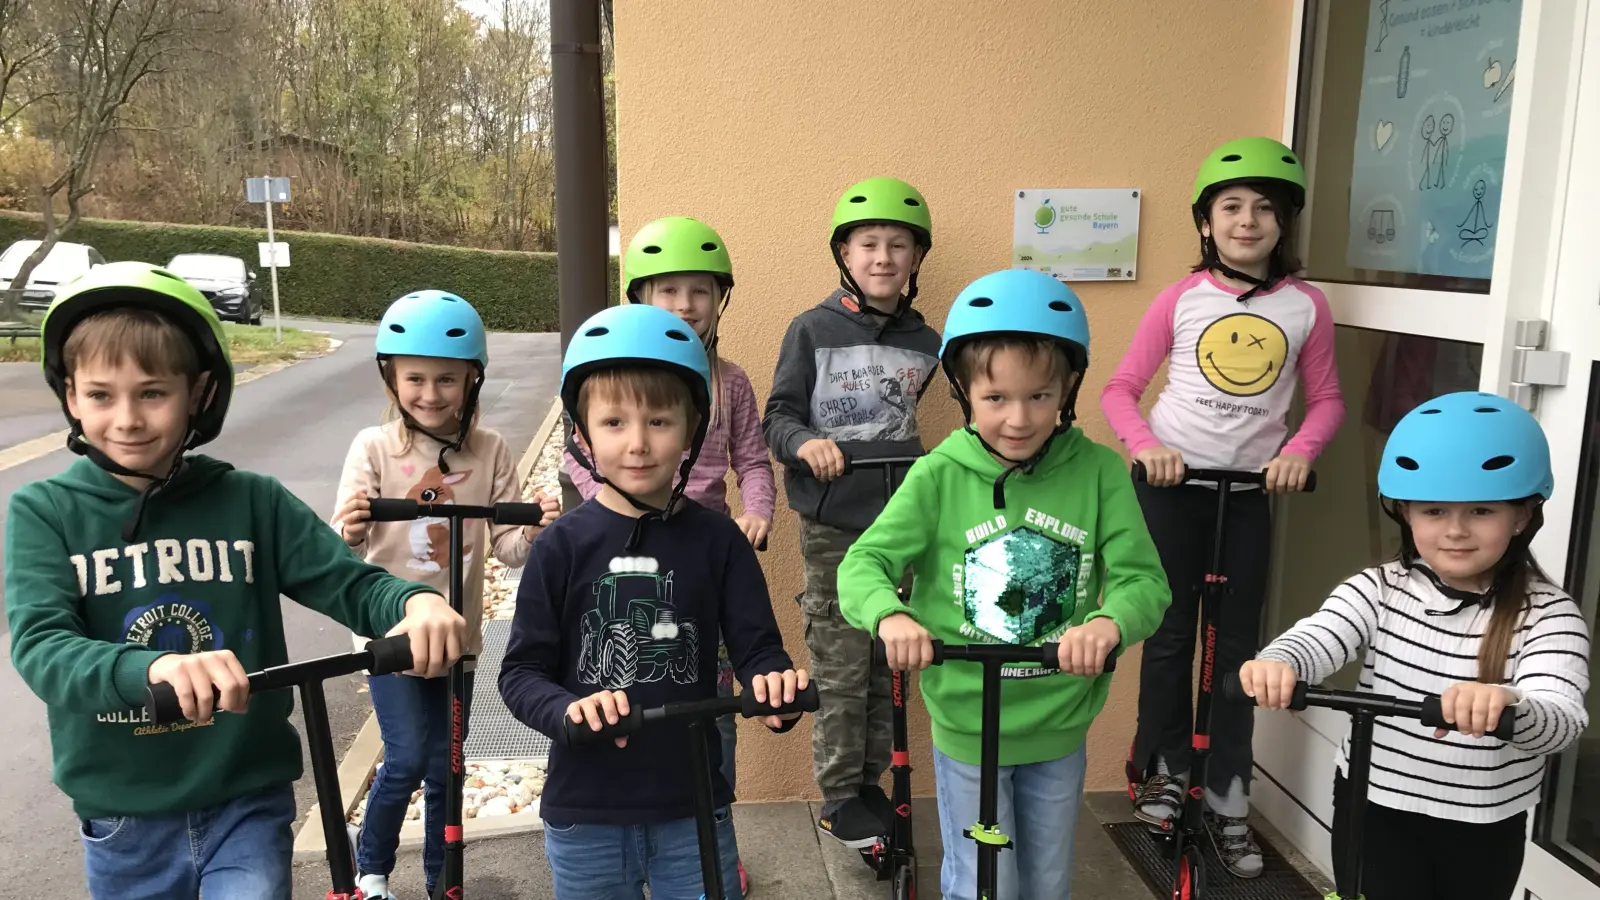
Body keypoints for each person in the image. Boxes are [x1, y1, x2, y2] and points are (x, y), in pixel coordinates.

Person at [3, 262, 466, 900]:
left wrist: (412, 601)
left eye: (152, 392)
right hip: (124, 814)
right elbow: (42, 645)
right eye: (101, 395)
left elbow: (347, 581)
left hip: (245, 799)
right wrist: (148, 670)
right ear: (70, 396)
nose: (128, 418)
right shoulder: (44, 513)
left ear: (198, 394)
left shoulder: (251, 501)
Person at [839, 268, 1172, 900]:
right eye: (997, 399)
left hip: (1058, 717)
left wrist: (1108, 622)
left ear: (1068, 388)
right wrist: (890, 615)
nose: (1019, 419)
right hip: (968, 718)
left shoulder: (1099, 472)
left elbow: (1143, 581)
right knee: (982, 880)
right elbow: (864, 564)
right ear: (965, 392)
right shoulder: (939, 474)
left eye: (1040, 397)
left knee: (1046, 879)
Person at [500, 303, 808, 900]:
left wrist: (775, 691)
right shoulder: (561, 546)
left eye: (659, 421)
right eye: (614, 422)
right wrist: (567, 712)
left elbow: (759, 649)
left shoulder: (720, 541)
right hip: (584, 809)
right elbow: (521, 674)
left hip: (693, 805)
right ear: (582, 433)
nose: (638, 444)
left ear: (693, 428)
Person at [1102, 135, 1345, 877]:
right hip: (1174, 487)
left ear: (1283, 224)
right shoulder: (1181, 298)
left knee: (1238, 647)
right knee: (1172, 634)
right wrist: (1146, 446)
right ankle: (1165, 774)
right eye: (1231, 207)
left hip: (1247, 494)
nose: (1248, 221)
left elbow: (1327, 400)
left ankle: (1231, 794)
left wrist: (1299, 454)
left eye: (1264, 209)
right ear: (1206, 222)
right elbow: (1120, 390)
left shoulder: (1305, 306)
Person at [1239, 391, 1589, 900]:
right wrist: (1280, 661)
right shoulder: (1379, 589)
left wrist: (1511, 703)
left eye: (1481, 510)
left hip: (1483, 824)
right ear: (1406, 513)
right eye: (1433, 509)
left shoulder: (1548, 614)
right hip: (1374, 805)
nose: (1455, 530)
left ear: (1522, 515)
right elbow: (1321, 635)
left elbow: (1561, 718)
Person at [563, 217, 775, 896]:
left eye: (699, 292)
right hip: (623, 546)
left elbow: (752, 459)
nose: (685, 305)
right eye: (668, 291)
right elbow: (584, 466)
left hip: (704, 548)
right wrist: (617, 513)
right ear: (641, 297)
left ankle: (712, 826)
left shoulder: (730, 382)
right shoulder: (608, 383)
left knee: (713, 702)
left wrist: (757, 513)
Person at [332, 289, 560, 899]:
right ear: (392, 379)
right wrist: (352, 528)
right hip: (392, 639)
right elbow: (340, 552)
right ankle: (372, 871)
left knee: (446, 768)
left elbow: (508, 549)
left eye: (447, 380)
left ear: (472, 380)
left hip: (459, 637)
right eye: (416, 379)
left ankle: (442, 878)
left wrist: (535, 529)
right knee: (406, 758)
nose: (430, 394)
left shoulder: (491, 450)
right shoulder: (373, 448)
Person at [762, 177, 942, 847]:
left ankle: (873, 784)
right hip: (836, 525)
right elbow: (776, 416)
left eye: (900, 245)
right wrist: (807, 444)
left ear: (918, 259)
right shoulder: (812, 328)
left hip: (901, 524)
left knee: (884, 666)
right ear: (844, 252)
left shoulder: (928, 340)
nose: (885, 257)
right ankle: (840, 795)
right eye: (869, 244)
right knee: (841, 663)